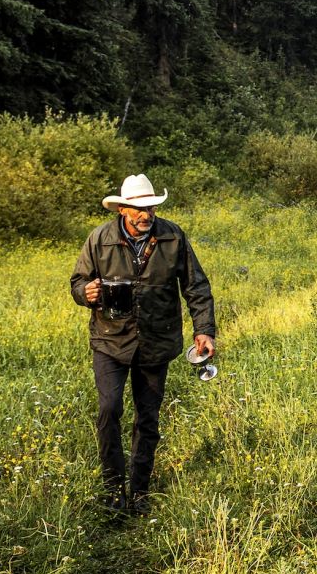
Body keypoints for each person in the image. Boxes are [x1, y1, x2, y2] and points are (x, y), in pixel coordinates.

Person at [70, 173, 216, 517]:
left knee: (147, 417)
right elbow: (78, 282)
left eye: (150, 207)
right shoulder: (99, 238)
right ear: (122, 209)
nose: (145, 214)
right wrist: (85, 293)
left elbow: (195, 286)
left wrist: (204, 330)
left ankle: (139, 491)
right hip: (110, 340)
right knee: (109, 410)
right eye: (138, 208)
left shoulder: (173, 236)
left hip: (156, 340)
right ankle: (112, 490)